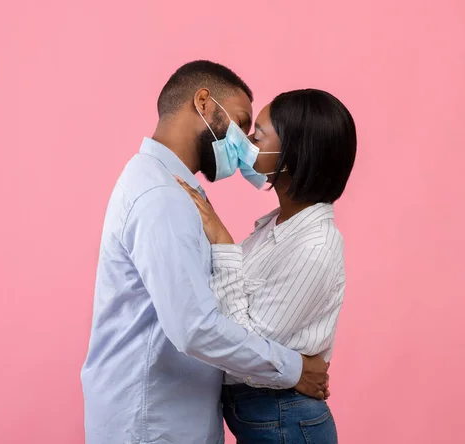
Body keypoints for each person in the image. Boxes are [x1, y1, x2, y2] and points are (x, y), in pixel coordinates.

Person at [80, 61, 330, 444]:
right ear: (203, 103)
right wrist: (295, 368)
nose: (246, 147)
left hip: (168, 418)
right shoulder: (160, 197)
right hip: (153, 424)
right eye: (242, 124)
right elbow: (194, 327)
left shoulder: (170, 186)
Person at [177, 88, 357, 443]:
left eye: (257, 134)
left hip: (284, 419)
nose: (245, 141)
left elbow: (249, 347)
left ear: (292, 155)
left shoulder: (314, 247)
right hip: (266, 415)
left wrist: (222, 241)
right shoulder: (276, 228)